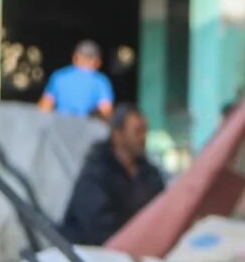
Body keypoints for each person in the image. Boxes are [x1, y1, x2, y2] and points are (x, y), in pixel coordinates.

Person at [61, 103, 166, 247]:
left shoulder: (150, 174)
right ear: (117, 134)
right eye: (137, 131)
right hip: (92, 255)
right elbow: (97, 227)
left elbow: (161, 211)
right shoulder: (97, 173)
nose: (143, 137)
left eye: (145, 131)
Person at [39, 41, 114, 120]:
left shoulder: (59, 76)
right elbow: (106, 111)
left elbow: (44, 107)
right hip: (85, 128)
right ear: (98, 62)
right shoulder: (100, 81)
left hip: (59, 125)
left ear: (75, 57)